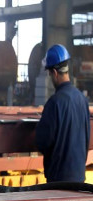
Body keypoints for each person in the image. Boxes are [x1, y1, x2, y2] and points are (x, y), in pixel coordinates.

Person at [36, 44, 90, 183]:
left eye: (49, 73)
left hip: (58, 182)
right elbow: (86, 138)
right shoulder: (82, 100)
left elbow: (43, 143)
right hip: (79, 179)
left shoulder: (54, 103)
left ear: (54, 72)